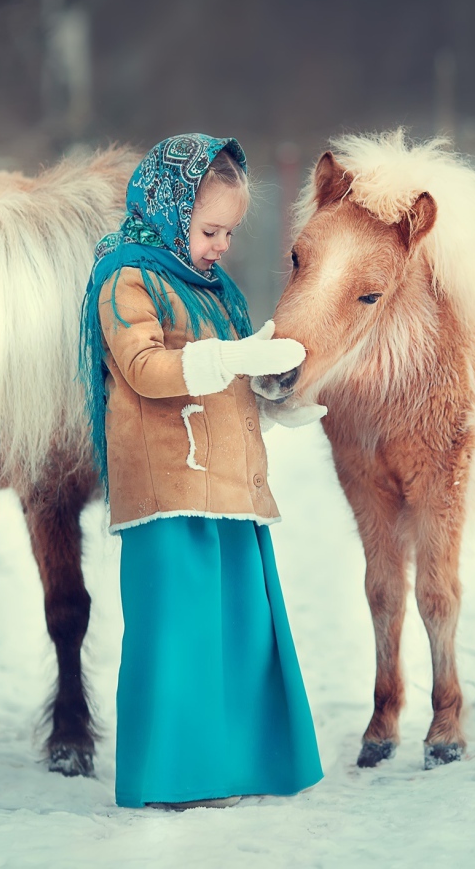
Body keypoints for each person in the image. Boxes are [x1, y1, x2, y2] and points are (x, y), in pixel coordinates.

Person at [79, 133, 324, 810]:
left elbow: (228, 380)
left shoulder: (214, 291)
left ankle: (243, 763)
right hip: (171, 491)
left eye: (229, 232)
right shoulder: (126, 278)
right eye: (210, 230)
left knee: (242, 631)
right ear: (169, 208)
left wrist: (273, 400)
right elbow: (144, 368)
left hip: (230, 489)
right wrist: (233, 359)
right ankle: (177, 778)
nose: (221, 246)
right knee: (180, 635)